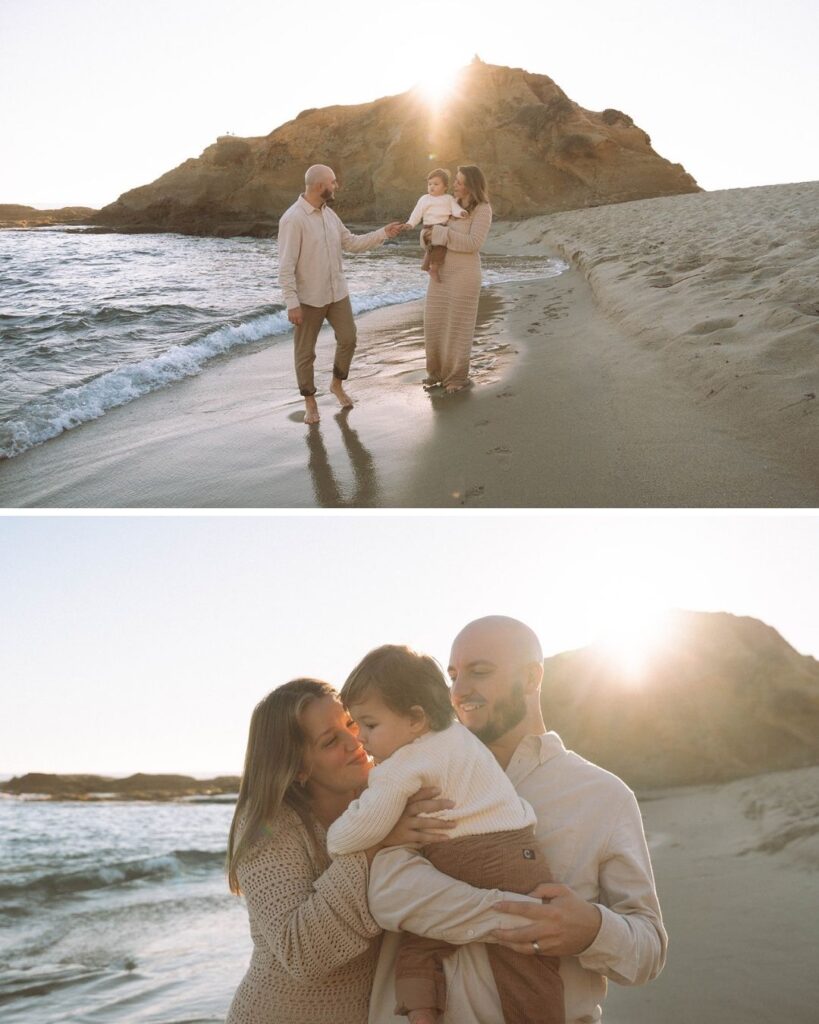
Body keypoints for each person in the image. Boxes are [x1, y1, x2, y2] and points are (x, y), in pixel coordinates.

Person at [367, 616, 668, 1024]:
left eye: (480, 672)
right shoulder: (413, 772)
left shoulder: (604, 796)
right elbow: (383, 891)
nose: (459, 691)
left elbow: (648, 950)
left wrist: (593, 930)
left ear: (531, 677)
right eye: (453, 675)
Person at [327, 645, 564, 1024]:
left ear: (416, 719)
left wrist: (333, 834)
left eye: (370, 725)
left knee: (427, 941)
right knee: (512, 966)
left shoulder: (405, 762)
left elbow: (352, 834)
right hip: (518, 851)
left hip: (478, 858)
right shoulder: (458, 737)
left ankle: (423, 1014)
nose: (362, 740)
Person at [225, 678, 453, 1024]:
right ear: (298, 767)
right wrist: (377, 844)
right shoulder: (267, 825)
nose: (355, 741)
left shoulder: (385, 796)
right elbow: (300, 951)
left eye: (351, 724)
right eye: (331, 741)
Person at [277, 165, 403, 424]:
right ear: (319, 186)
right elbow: (286, 266)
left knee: (349, 338)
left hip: (337, 293)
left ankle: (337, 384)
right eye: (333, 182)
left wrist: (383, 234)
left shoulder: (329, 215)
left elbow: (351, 243)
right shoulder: (293, 219)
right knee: (305, 353)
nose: (336, 187)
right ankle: (310, 401)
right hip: (308, 298)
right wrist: (292, 303)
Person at [422, 164, 493, 393]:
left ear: (471, 185)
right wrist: (426, 236)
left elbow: (473, 243)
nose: (454, 184)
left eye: (459, 182)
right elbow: (430, 234)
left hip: (465, 275)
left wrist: (441, 234)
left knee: (458, 327)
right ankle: (435, 373)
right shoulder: (446, 205)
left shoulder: (483, 209)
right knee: (434, 324)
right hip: (441, 274)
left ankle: (455, 378)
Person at [402, 169, 467, 283]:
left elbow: (455, 208)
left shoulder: (448, 198)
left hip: (442, 228)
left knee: (434, 249)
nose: (432, 186)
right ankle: (434, 269)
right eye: (429, 184)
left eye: (436, 184)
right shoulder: (424, 199)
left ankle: (427, 267)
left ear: (445, 187)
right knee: (439, 248)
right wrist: (410, 224)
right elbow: (417, 213)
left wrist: (461, 213)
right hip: (429, 228)